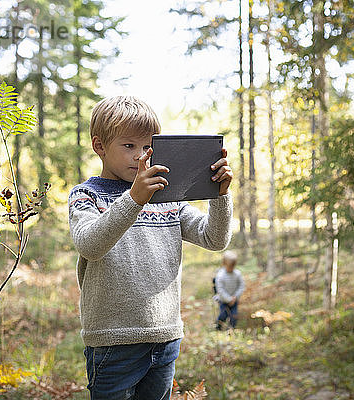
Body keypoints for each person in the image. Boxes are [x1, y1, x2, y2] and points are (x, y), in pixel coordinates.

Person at [68, 95, 233, 400]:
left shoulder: (166, 196)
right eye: (128, 145)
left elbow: (214, 239)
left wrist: (219, 195)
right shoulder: (86, 195)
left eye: (147, 147)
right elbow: (90, 245)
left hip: (165, 338)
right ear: (100, 146)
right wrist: (134, 199)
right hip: (113, 344)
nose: (140, 156)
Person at [214, 250, 245, 330]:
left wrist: (235, 297)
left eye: (233, 266)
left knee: (234, 316)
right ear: (224, 264)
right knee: (223, 315)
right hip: (223, 300)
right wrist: (229, 299)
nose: (231, 268)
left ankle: (231, 330)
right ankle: (218, 327)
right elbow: (220, 290)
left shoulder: (237, 274)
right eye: (229, 266)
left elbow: (241, 286)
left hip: (234, 299)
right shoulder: (220, 275)